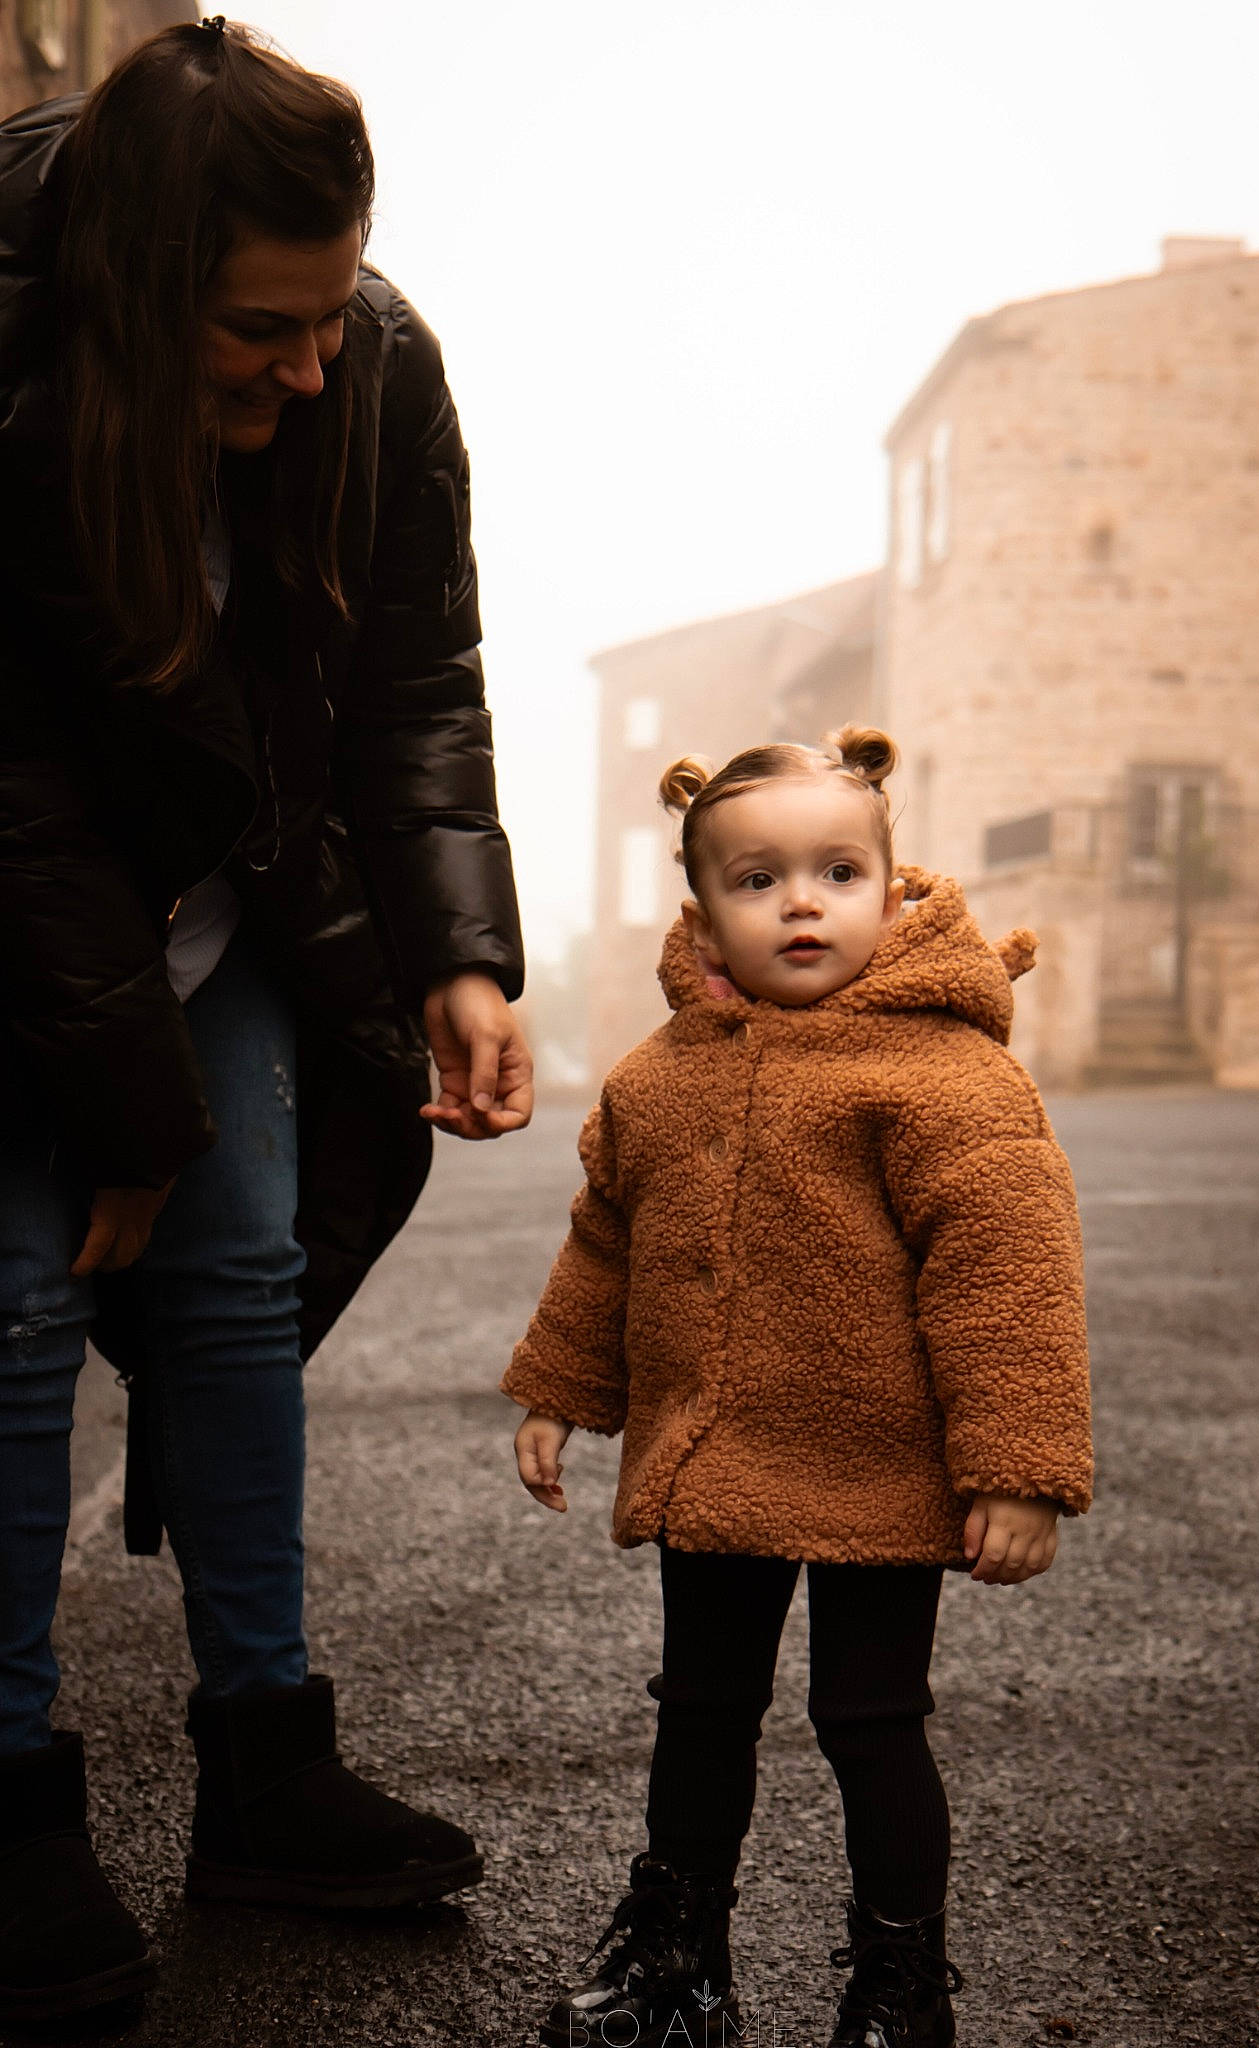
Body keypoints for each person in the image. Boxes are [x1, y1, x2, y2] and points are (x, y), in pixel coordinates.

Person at [0, 17, 531, 2027]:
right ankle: (8, 1810)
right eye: (258, 330)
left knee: (231, 1282)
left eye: (328, 318)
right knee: (21, 1299)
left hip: (223, 896)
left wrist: (454, 955)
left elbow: (415, 683)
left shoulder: (372, 360)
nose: (310, 367)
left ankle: (268, 1766)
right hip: (20, 896)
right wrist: (126, 1107)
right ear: (135, 285)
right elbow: (19, 795)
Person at [501, 728, 1093, 2048]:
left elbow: (1009, 1275)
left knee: (868, 1722)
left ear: (893, 889)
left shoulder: (945, 1075)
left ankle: (897, 1985)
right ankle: (675, 1964)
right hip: (712, 1462)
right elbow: (608, 1239)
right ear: (702, 906)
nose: (802, 901)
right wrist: (561, 1387)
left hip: (881, 1463)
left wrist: (1013, 1465)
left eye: (836, 870)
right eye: (756, 880)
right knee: (701, 1712)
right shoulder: (660, 1079)